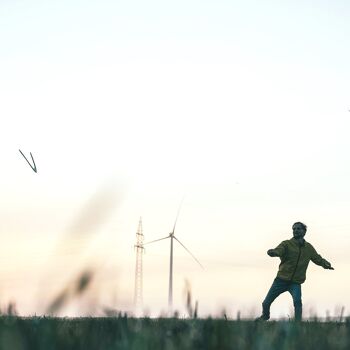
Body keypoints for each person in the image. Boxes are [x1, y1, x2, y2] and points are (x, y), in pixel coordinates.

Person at [256, 222, 334, 322]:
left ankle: (297, 323)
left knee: (297, 302)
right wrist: (274, 252)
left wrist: (326, 265)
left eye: (298, 229)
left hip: (295, 283)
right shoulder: (286, 244)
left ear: (304, 231)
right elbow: (279, 250)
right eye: (294, 229)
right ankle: (265, 316)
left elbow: (317, 258)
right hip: (281, 280)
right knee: (266, 303)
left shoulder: (308, 248)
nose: (295, 231)